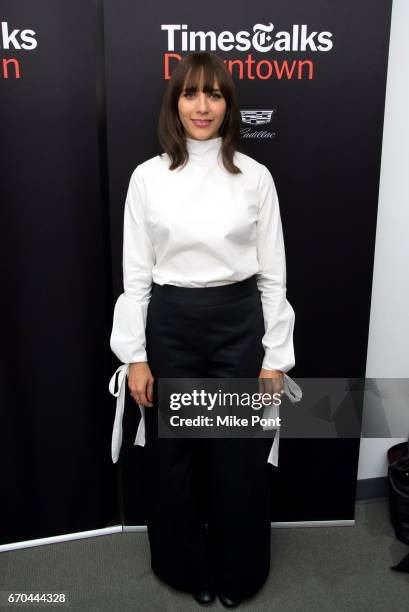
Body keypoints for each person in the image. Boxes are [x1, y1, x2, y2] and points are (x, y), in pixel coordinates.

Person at [109, 51, 297, 608]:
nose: (202, 105)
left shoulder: (255, 178)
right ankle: (185, 568)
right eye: (190, 93)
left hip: (240, 327)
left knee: (237, 458)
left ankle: (240, 573)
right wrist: (135, 355)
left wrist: (274, 357)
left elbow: (274, 274)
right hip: (170, 330)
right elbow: (136, 273)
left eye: (214, 94)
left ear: (227, 104)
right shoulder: (147, 177)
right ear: (175, 102)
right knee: (174, 458)